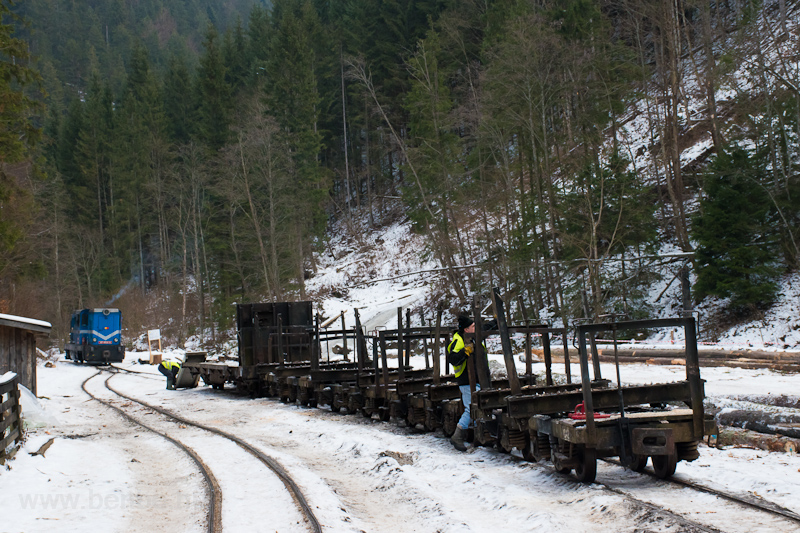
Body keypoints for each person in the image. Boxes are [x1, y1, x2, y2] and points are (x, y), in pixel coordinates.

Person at [446, 314, 487, 452]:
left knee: (477, 409)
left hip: (475, 380)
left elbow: (486, 328)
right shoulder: (459, 341)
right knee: (470, 409)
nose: (476, 328)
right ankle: (457, 436)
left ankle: (478, 437)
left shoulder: (473, 337)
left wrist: (497, 320)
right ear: (466, 329)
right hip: (466, 381)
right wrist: (465, 352)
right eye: (473, 326)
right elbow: (453, 358)